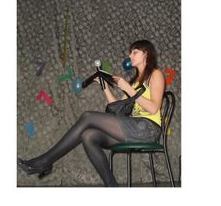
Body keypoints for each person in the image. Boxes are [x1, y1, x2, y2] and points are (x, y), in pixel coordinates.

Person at [17, 40, 165, 186]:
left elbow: (154, 108)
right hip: (133, 129)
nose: (130, 56)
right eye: (130, 52)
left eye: (135, 52)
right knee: (88, 135)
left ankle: (45, 161)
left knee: (88, 116)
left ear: (146, 54)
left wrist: (128, 89)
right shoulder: (134, 82)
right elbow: (116, 108)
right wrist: (104, 85)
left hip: (148, 129)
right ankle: (112, 186)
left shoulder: (155, 74)